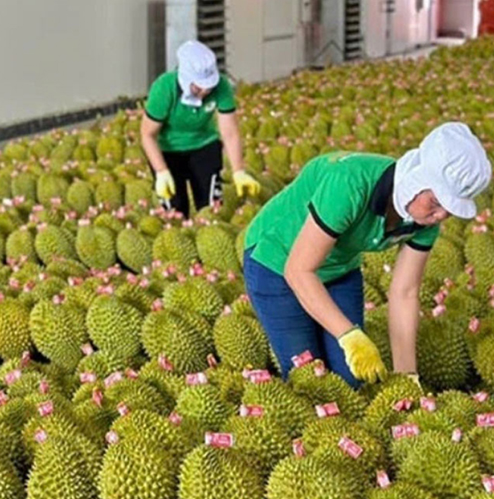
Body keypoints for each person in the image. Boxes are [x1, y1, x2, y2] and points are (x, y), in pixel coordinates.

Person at [242, 122, 492, 388]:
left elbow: (405, 292)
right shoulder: (350, 183)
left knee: (353, 379)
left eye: (449, 209)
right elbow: (298, 271)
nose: (440, 215)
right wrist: (349, 336)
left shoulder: (425, 221)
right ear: (417, 180)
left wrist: (407, 376)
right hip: (276, 260)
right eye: (436, 202)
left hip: (340, 267)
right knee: (308, 375)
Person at [141, 40, 260, 218]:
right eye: (198, 87)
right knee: (175, 211)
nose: (204, 92)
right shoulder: (164, 88)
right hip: (168, 150)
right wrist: (161, 171)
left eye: (209, 87)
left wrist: (238, 171)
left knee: (212, 208)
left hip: (204, 146)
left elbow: (230, 132)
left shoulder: (221, 87)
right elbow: (147, 135)